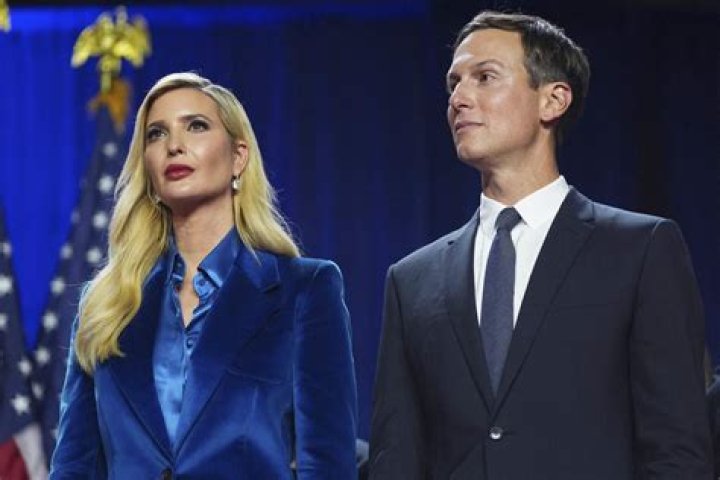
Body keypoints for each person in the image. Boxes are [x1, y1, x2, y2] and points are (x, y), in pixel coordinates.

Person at [369, 11, 712, 480]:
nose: (459, 98)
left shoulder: (640, 249)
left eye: (485, 77)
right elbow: (395, 458)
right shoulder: (411, 280)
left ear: (553, 100)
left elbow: (677, 450)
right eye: (453, 83)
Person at [49, 72, 357, 479]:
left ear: (238, 157)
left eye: (195, 126)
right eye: (157, 134)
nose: (174, 145)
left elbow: (329, 466)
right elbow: (74, 467)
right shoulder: (106, 303)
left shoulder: (304, 291)